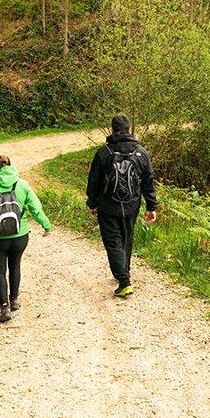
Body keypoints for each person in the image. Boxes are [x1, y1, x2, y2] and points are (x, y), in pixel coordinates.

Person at [86, 114, 158, 298]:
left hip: (108, 206)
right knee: (127, 238)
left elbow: (93, 180)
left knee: (112, 241)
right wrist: (151, 207)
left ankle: (124, 281)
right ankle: (124, 271)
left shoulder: (104, 153)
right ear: (129, 129)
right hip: (132, 204)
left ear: (112, 129)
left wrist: (92, 203)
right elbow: (148, 182)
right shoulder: (142, 153)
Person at [0, 155, 52, 323]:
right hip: (20, 235)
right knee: (15, 266)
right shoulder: (22, 185)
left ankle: (4, 308)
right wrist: (46, 225)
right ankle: (14, 300)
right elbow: (36, 207)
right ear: (11, 167)